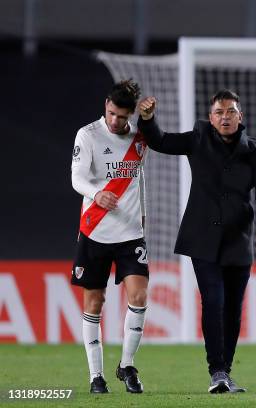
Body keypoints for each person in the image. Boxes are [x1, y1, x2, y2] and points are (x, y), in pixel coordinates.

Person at [137, 89, 256, 394]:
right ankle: (216, 371)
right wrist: (147, 119)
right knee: (213, 301)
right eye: (219, 112)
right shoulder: (198, 138)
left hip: (239, 240)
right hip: (203, 239)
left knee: (233, 310)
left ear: (241, 116)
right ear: (210, 118)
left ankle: (225, 372)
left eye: (230, 112)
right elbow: (160, 140)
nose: (225, 117)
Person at [70, 79, 149, 394]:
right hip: (95, 231)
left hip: (131, 233)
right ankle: (95, 377)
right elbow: (77, 177)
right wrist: (97, 193)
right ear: (106, 105)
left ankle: (127, 365)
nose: (116, 121)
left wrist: (144, 215)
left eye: (122, 116)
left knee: (140, 296)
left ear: (130, 115)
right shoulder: (87, 135)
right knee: (94, 301)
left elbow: (139, 179)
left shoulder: (138, 139)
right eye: (112, 113)